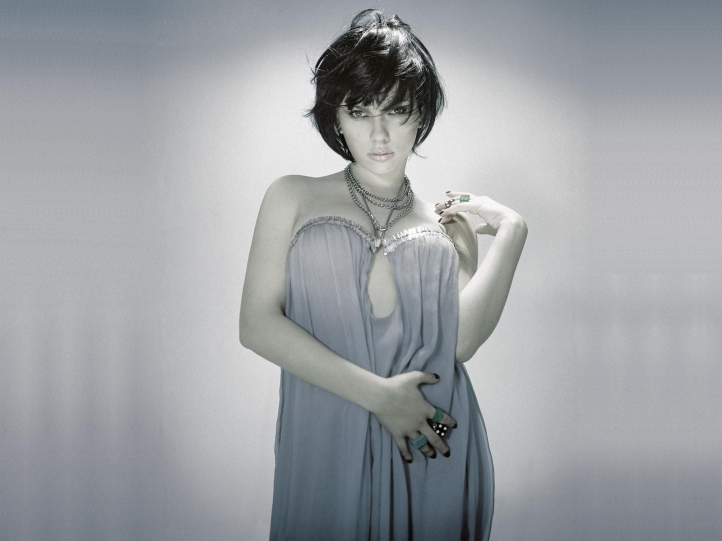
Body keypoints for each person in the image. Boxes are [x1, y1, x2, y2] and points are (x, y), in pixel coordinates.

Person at [239, 9, 527, 541]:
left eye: (396, 110)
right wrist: (380, 397)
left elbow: (461, 343)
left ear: (420, 114)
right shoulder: (292, 197)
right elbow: (257, 325)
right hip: (325, 444)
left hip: (432, 439)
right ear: (336, 117)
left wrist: (512, 231)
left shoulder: (448, 226)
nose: (378, 133)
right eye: (359, 111)